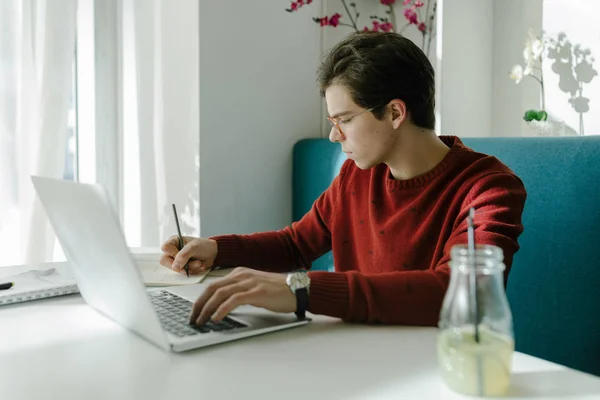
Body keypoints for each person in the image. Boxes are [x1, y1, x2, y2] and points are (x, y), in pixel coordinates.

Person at [160, 31, 527, 328]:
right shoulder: (357, 174)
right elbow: (295, 245)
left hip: (431, 368)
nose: (335, 137)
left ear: (395, 112)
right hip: (352, 352)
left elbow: (457, 292)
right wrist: (217, 249)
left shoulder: (489, 188)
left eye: (345, 120)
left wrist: (302, 290)